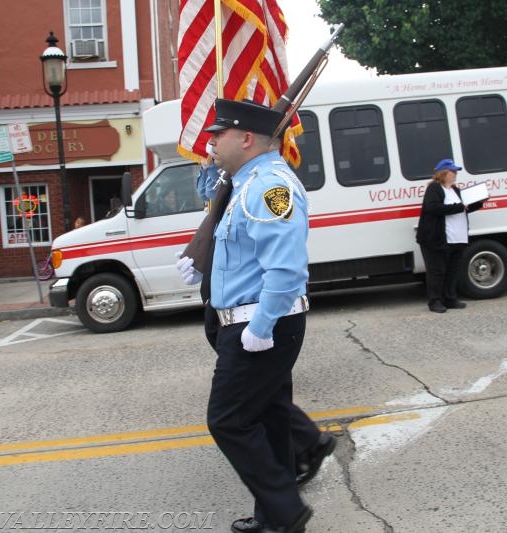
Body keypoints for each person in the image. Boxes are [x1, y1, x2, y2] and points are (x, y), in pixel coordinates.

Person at [176, 99, 316, 533]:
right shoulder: (245, 181)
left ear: (247, 138)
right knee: (269, 414)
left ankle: (286, 510)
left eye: (220, 134)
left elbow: (286, 268)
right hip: (240, 319)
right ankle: (274, 515)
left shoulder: (270, 187)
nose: (211, 141)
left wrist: (259, 328)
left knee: (228, 420)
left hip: (262, 324)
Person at [416, 159, 484, 313]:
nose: (456, 174)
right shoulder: (434, 188)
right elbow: (433, 207)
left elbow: (463, 208)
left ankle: (450, 298)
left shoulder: (455, 190)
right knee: (437, 271)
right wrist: (460, 207)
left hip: (457, 238)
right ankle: (435, 301)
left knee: (452, 270)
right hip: (437, 238)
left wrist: (478, 203)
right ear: (443, 173)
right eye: (453, 171)